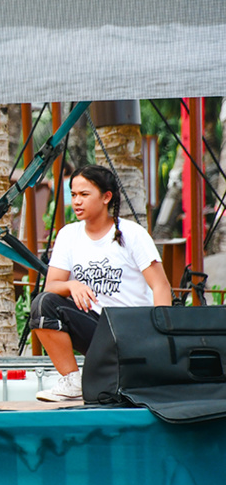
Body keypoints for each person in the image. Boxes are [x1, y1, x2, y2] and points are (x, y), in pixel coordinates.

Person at [29, 164, 172, 402]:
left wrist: (162, 339)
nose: (77, 201)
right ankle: (73, 381)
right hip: (97, 330)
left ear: (106, 197)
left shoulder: (132, 234)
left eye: (84, 195)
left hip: (134, 332)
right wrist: (72, 285)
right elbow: (51, 286)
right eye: (73, 194)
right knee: (44, 304)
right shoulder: (68, 235)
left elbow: (161, 286)